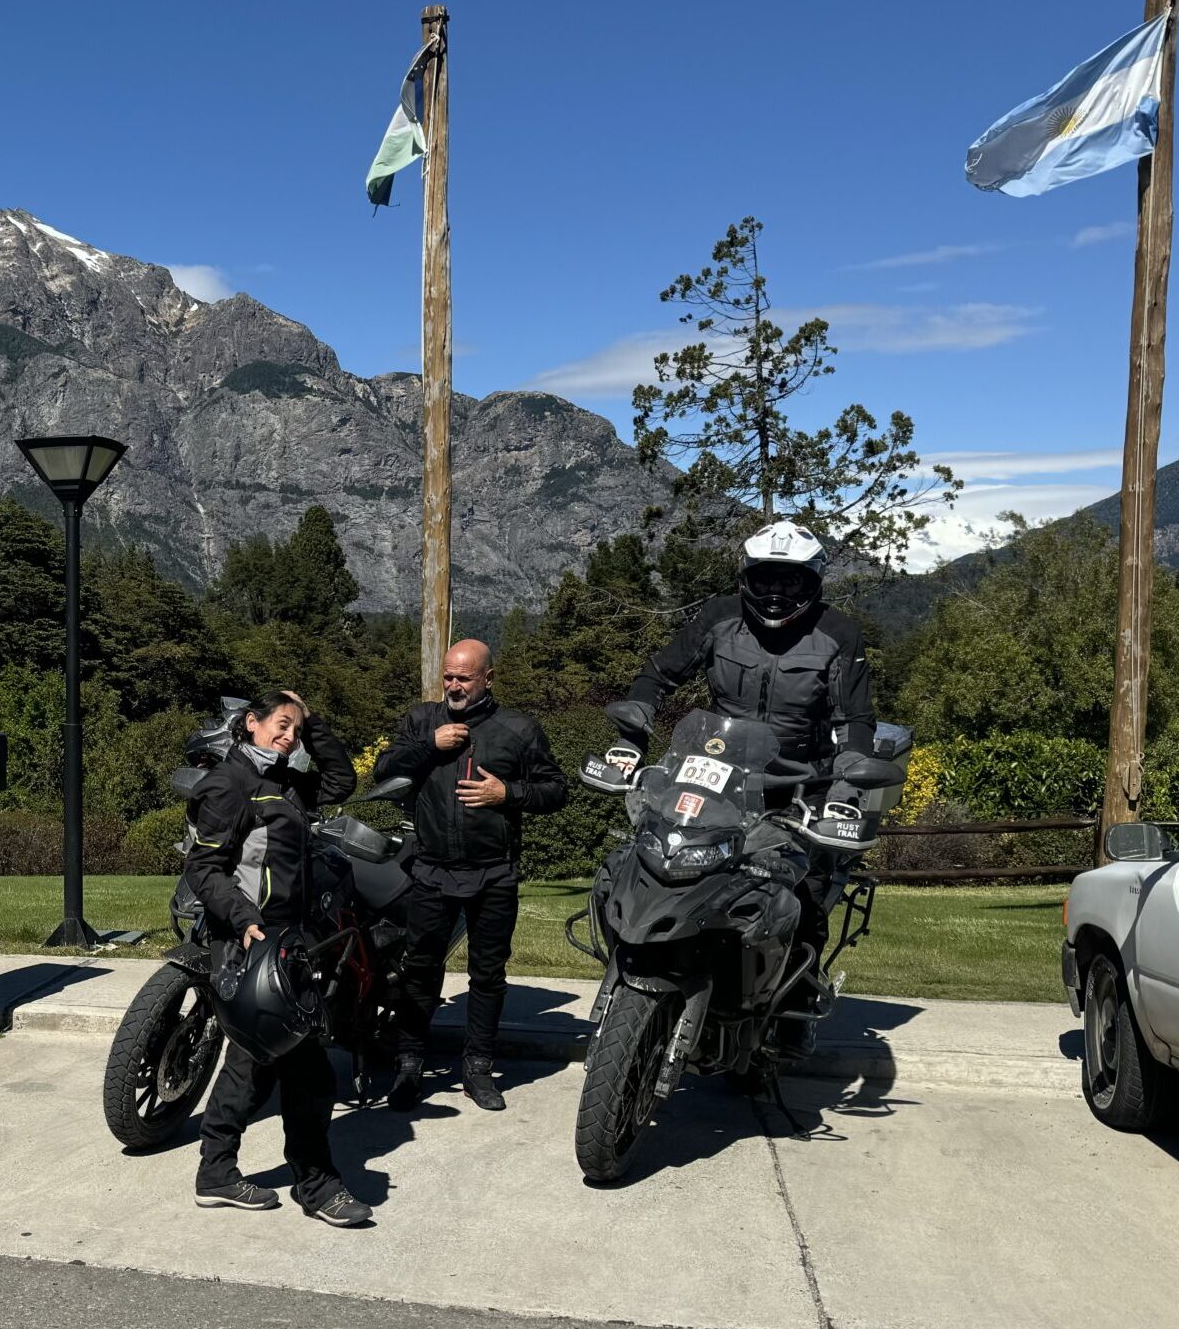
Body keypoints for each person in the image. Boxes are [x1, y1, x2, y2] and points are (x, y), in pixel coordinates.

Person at [611, 521, 876, 1036]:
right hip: (717, 776)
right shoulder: (719, 617)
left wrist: (845, 793)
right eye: (766, 578)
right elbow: (659, 675)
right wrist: (631, 741)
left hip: (798, 787)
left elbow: (855, 722)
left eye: (791, 580)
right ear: (746, 577)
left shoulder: (838, 633)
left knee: (804, 893)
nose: (777, 591)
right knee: (653, 860)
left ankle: (793, 1005)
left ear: (813, 581)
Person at [184, 689, 372, 1227]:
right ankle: (316, 1185)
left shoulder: (287, 781)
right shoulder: (228, 784)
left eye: (296, 730)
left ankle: (217, 1172)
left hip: (289, 942)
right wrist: (245, 920)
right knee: (303, 1069)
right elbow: (204, 868)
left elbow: (341, 782)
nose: (288, 737)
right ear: (252, 722)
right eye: (281, 725)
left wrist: (314, 722)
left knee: (254, 1065)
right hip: (250, 941)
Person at [376, 639, 568, 1112]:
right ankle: (409, 1063)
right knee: (420, 970)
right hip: (431, 869)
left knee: (487, 974)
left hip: (493, 873)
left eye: (464, 677)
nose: (454, 685)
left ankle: (478, 1068)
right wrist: (429, 745)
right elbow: (382, 770)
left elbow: (555, 790)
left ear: (488, 678)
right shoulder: (422, 721)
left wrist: (509, 793)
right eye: (448, 676)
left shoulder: (518, 729)